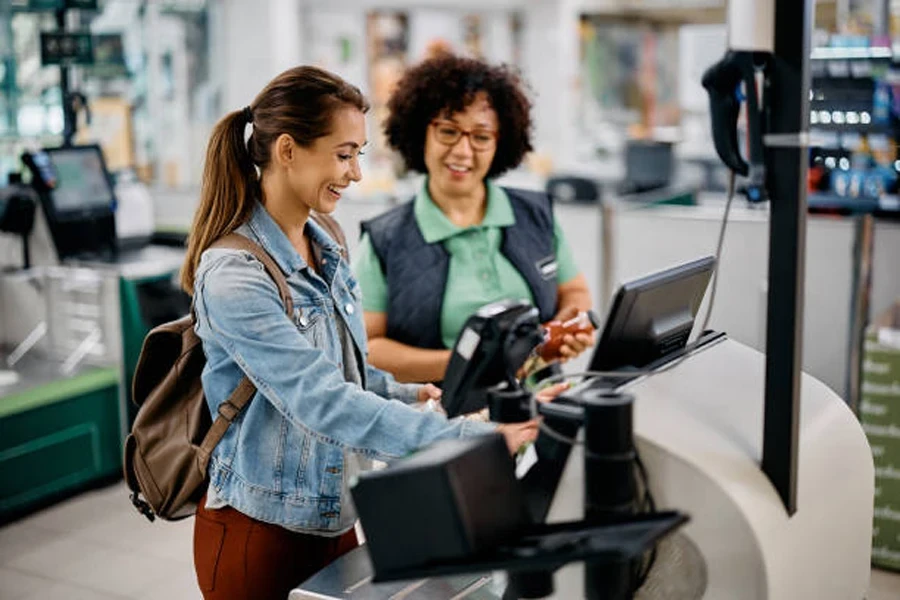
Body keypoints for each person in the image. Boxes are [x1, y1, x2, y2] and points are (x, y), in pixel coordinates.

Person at [181, 65, 538, 600]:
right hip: (259, 530)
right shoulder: (234, 275)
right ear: (287, 150)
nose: (354, 174)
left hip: (338, 517)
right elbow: (321, 400)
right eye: (344, 154)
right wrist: (468, 439)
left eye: (358, 155)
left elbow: (345, 368)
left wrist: (410, 392)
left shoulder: (326, 238)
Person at [353, 54, 595, 383]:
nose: (464, 152)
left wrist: (566, 328)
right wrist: (468, 363)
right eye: (449, 131)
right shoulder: (385, 240)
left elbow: (575, 293)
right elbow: (368, 348)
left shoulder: (535, 215)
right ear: (420, 132)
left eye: (481, 137)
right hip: (443, 422)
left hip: (542, 410)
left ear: (501, 142)